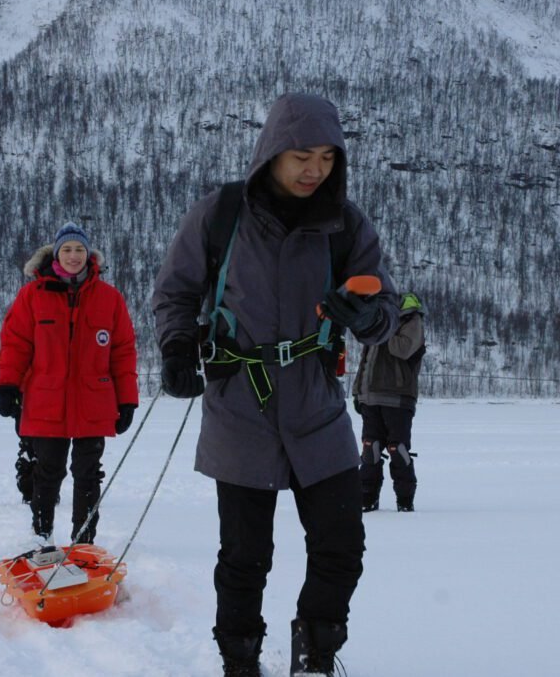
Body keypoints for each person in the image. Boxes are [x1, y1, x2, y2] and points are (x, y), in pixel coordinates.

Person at [152, 93, 399, 677]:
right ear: (271, 153)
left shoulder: (345, 223)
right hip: (241, 408)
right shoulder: (221, 215)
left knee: (341, 547)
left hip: (317, 410)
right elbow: (175, 293)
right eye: (301, 156)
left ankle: (314, 656)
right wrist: (177, 345)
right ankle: (239, 661)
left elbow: (385, 304)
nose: (315, 170)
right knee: (244, 558)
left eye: (327, 158)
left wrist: (367, 317)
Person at [0, 222, 139, 548]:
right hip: (46, 402)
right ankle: (42, 539)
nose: (74, 256)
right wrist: (7, 386)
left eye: (79, 250)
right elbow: (15, 345)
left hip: (94, 401)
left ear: (89, 256)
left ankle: (83, 544)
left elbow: (123, 351)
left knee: (88, 475)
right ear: (56, 253)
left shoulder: (109, 298)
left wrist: (127, 400)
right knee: (48, 473)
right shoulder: (32, 295)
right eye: (67, 249)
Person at [352, 291, 426, 513]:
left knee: (398, 449)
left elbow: (402, 349)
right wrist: (358, 391)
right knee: (370, 450)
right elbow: (365, 361)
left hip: (399, 397)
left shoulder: (412, 320)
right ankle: (367, 499)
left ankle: (405, 501)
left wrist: (383, 330)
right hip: (370, 396)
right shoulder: (379, 322)